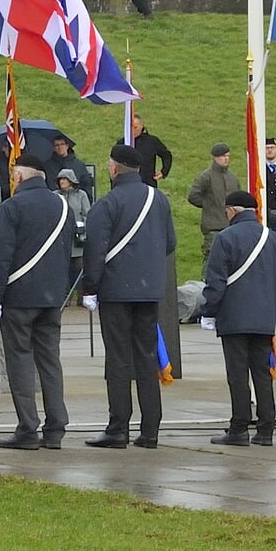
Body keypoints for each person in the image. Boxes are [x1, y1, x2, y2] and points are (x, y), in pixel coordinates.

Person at [81, 142, 177, 449]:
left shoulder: (107, 204)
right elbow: (170, 243)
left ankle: (118, 427)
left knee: (119, 360)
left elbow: (95, 251)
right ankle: (150, 430)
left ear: (113, 169)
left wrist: (90, 288)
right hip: (149, 290)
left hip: (116, 291)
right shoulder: (158, 199)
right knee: (147, 358)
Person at [0, 156, 71, 449]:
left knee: (20, 361)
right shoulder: (62, 206)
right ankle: (56, 427)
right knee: (50, 361)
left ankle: (28, 428)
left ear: (19, 177)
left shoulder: (12, 207)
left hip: (19, 296)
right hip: (52, 297)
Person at [195, 190, 276, 445]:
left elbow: (216, 281)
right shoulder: (272, 238)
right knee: (262, 374)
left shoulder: (225, 238)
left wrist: (208, 311)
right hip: (264, 317)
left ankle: (239, 428)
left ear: (232, 210)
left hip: (234, 316)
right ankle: (266, 429)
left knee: (237, 375)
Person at [187, 143, 241, 260]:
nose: (226, 159)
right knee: (211, 259)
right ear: (215, 158)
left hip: (232, 227)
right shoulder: (206, 176)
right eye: (223, 156)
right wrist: (208, 204)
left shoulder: (233, 178)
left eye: (227, 155)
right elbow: (193, 195)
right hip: (213, 227)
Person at [124, 113, 173, 185]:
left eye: (135, 127)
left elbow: (166, 155)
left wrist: (164, 171)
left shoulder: (152, 141)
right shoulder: (123, 143)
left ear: (142, 126)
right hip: (127, 185)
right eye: (130, 127)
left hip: (148, 184)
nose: (133, 131)